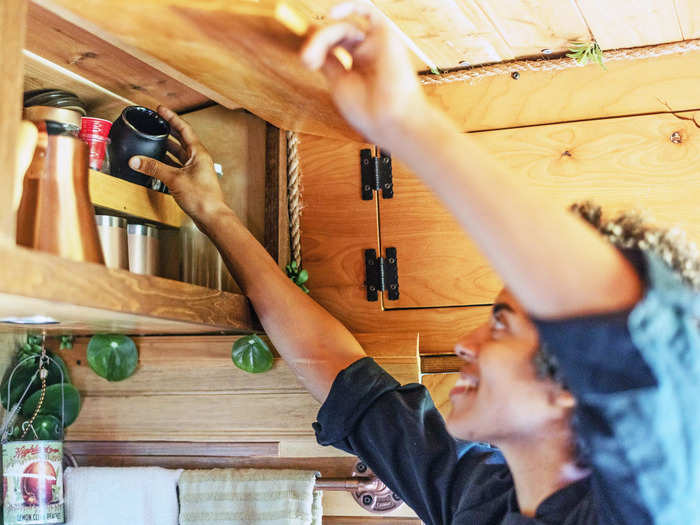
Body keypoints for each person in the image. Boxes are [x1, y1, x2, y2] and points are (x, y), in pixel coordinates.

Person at [127, 3, 700, 523]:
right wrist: (213, 213)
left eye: (502, 324)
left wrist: (407, 122)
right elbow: (337, 368)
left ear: (576, 380)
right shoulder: (475, 494)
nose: (468, 344)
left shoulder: (645, 510)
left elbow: (635, 334)